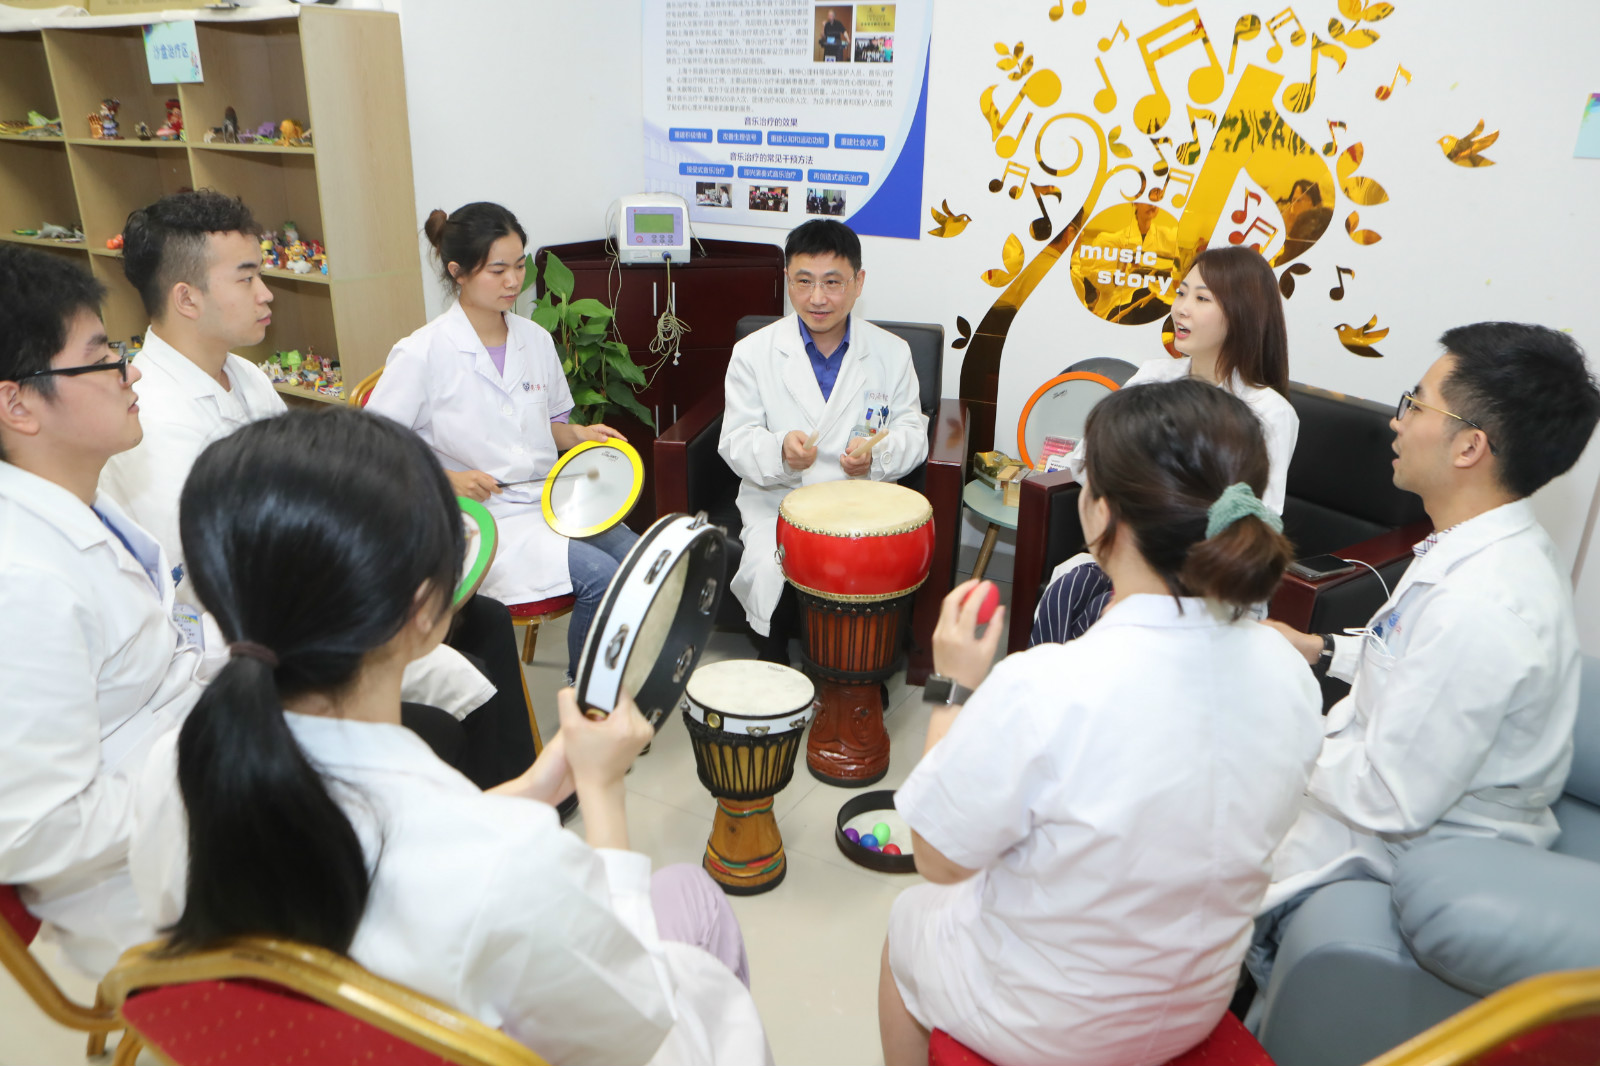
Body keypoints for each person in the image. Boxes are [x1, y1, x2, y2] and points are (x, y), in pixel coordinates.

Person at [129, 407, 770, 1065]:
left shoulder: (171, 768)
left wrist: (532, 787)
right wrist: (603, 792)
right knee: (691, 899)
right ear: (428, 609)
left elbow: (392, 847)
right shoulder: (505, 863)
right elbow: (635, 1022)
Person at [879, 378, 1322, 1066]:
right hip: (1196, 1004)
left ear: (1100, 516)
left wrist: (953, 684)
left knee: (910, 919)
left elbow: (936, 858)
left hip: (1051, 1026)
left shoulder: (1048, 685)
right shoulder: (1289, 674)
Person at [98, 190, 534, 790]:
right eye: (248, 277)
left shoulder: (245, 374)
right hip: (260, 639)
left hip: (312, 594)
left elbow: (323, 484)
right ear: (186, 297)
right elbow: (223, 579)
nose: (266, 292)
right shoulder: (156, 422)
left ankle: (517, 804)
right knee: (448, 694)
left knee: (479, 619)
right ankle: (483, 813)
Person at [1254, 324, 1600, 968]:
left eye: (1415, 404)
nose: (1397, 423)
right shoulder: (1478, 549)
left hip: (1393, 852)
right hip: (1366, 799)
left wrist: (1264, 735)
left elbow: (1388, 798)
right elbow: (1414, 657)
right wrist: (1317, 649)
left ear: (1469, 446)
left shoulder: (1483, 604)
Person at [0, 245, 200, 975]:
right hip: (137, 887)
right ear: (17, 403)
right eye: (102, 359)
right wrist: (218, 767)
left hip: (181, 765)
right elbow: (35, 830)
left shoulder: (84, 498)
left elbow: (163, 652)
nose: (132, 371)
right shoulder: (22, 582)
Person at [366, 202, 638, 685]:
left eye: (519, 265)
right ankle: (588, 699)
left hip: (547, 499)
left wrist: (578, 435)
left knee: (640, 560)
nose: (514, 280)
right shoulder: (422, 353)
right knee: (603, 577)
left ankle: (614, 683)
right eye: (498, 270)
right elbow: (372, 449)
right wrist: (447, 479)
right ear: (458, 273)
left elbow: (547, 425)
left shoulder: (535, 340)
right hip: (481, 520)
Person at [1033, 245, 1298, 645]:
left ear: (1242, 312)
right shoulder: (1153, 377)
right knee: (1069, 591)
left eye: (1202, 298)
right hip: (1132, 550)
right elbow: (1086, 460)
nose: (1181, 309)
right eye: (1181, 292)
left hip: (1207, 581)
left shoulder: (1268, 411)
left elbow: (1257, 518)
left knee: (1101, 616)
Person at [718, 219, 927, 658]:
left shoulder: (891, 352)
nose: (818, 298)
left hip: (862, 500)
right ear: (787, 282)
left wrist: (877, 457)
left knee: (863, 578)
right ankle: (772, 657)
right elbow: (736, 439)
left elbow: (912, 431)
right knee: (769, 569)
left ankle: (858, 673)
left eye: (833, 282)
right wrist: (780, 451)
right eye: (804, 281)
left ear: (858, 283)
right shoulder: (753, 353)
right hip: (779, 496)